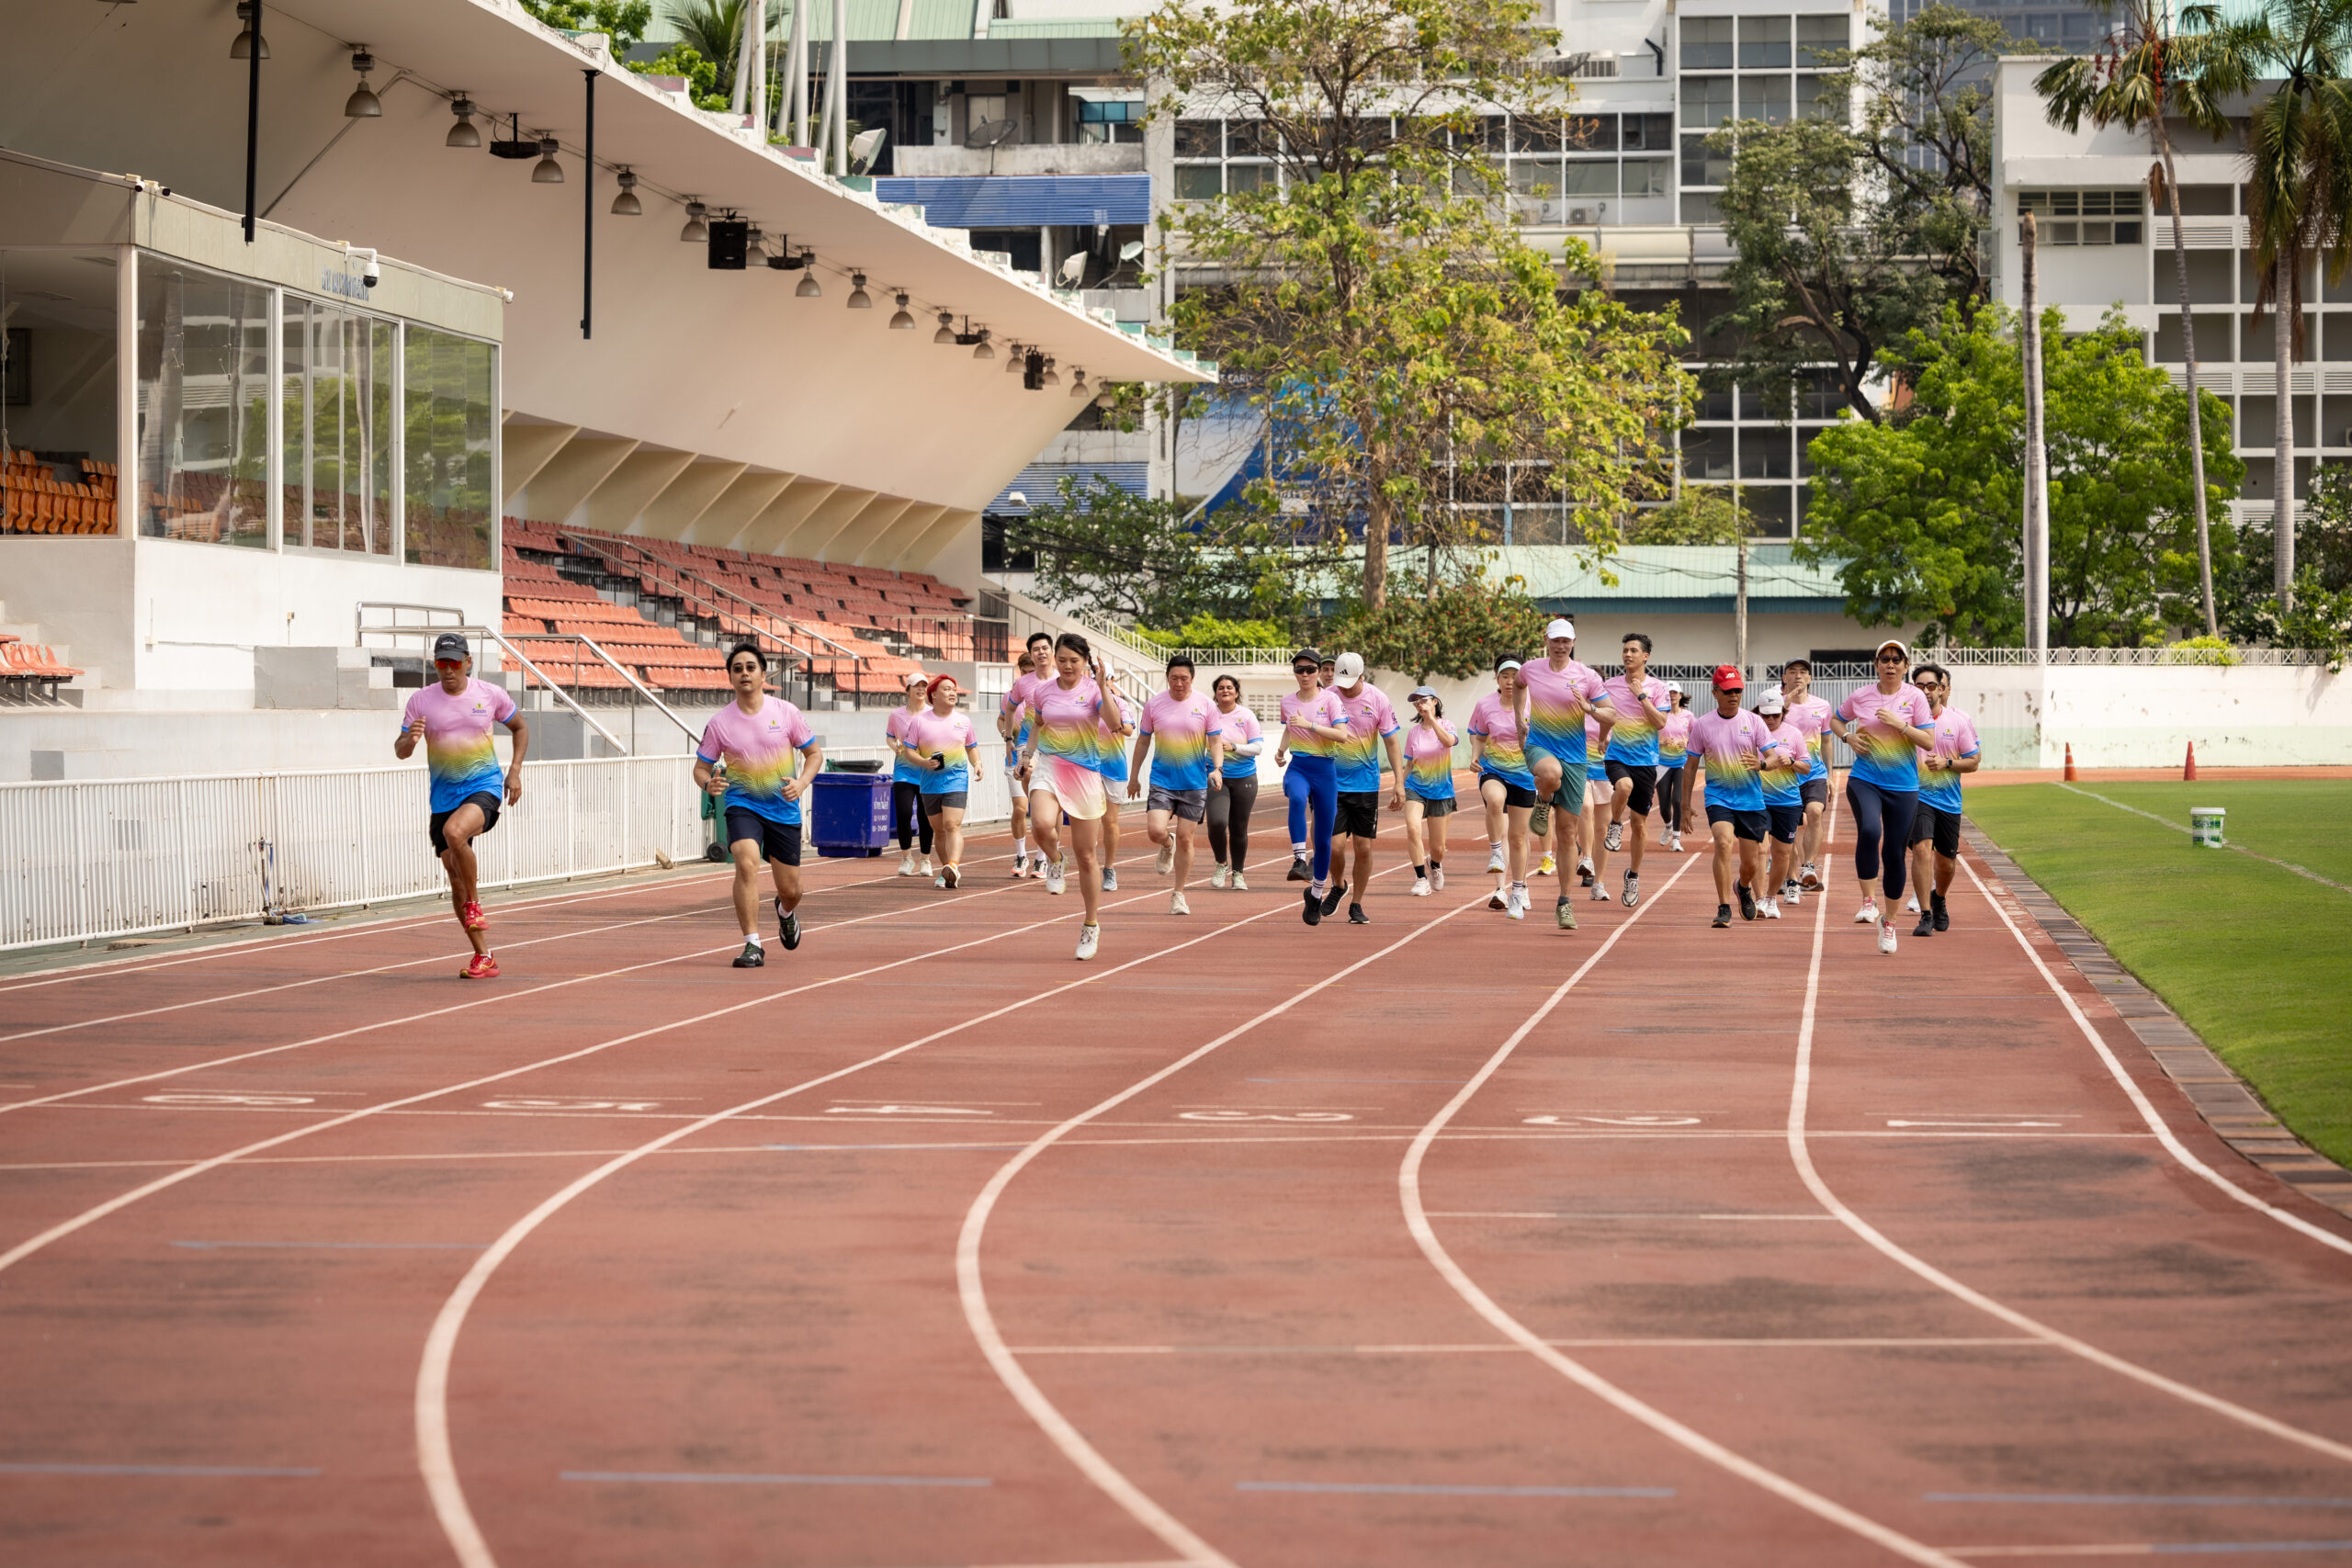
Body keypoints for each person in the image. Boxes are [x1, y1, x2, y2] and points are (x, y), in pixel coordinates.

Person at [396, 631, 531, 980]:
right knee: (454, 876)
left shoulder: (489, 694)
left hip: (483, 786)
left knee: (455, 832)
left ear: (468, 662)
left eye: (455, 663)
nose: (448, 670)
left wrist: (515, 771)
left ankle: (474, 903)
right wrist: (410, 740)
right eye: (442, 663)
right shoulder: (421, 701)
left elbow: (520, 728)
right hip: (443, 797)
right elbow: (400, 749)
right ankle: (484, 956)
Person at [693, 641, 823, 968]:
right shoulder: (720, 722)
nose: (744, 674)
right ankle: (752, 944)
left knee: (791, 890)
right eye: (737, 669)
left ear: (763, 675)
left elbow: (814, 754)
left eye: (750, 668)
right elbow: (700, 768)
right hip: (743, 804)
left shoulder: (786, 712)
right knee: (745, 862)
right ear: (730, 678)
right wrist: (707, 783)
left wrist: (801, 783)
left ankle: (785, 912)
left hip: (782, 807)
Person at [1828, 637, 1937, 955]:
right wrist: (1848, 737)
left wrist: (1901, 725)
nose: (1890, 664)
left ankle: (1889, 922)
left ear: (1905, 666)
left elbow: (1928, 741)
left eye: (1896, 659)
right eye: (1885, 659)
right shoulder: (1861, 695)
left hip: (1903, 786)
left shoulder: (1915, 697)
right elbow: (1835, 720)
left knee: (1894, 853)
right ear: (1876, 664)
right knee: (1870, 830)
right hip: (1866, 778)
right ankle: (1868, 901)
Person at [1017, 632, 1117, 960]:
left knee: (1086, 856)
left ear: (1086, 661)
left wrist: (1103, 687)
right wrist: (1027, 755)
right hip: (1049, 765)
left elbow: (1115, 723)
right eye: (1061, 660)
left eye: (1074, 660)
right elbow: (1037, 725)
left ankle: (1090, 924)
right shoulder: (1043, 690)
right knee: (1041, 825)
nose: (1067, 666)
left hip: (1084, 774)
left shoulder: (1093, 690)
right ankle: (1056, 860)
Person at [1517, 618, 1615, 927]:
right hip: (1540, 748)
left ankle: (1564, 902)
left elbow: (1611, 715)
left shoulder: (1587, 676)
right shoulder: (1531, 669)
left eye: (1566, 641)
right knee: (1550, 773)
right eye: (1555, 640)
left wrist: (1590, 710)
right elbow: (1518, 685)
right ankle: (1543, 798)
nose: (1560, 646)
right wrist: (1520, 718)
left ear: (1573, 642)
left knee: (1568, 833)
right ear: (1546, 640)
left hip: (1575, 758)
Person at [1683, 664, 1793, 929]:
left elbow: (1773, 757)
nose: (1734, 695)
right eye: (1728, 691)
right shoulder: (1703, 725)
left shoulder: (1753, 721)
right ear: (1715, 692)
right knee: (1722, 843)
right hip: (1719, 797)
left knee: (1751, 863)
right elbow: (1690, 766)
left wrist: (1762, 764)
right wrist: (1684, 805)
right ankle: (1723, 907)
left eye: (1738, 691)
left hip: (1750, 800)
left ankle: (1742, 887)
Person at [1130, 655, 1226, 916]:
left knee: (1186, 838)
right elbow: (1143, 741)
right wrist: (1134, 776)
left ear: (1192, 678)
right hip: (1162, 779)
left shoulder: (1206, 705)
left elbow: (1215, 741)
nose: (1179, 683)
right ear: (1167, 678)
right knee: (1155, 831)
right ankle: (1166, 843)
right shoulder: (1154, 705)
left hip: (1194, 782)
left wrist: (1217, 769)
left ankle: (1179, 894)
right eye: (1174, 678)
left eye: (1184, 678)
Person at [1274, 649, 1353, 924]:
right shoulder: (1287, 701)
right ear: (1295, 673)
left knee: (1323, 841)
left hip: (1325, 771)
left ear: (1319, 672)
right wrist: (1281, 750)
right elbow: (1289, 727)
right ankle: (1299, 859)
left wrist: (1311, 726)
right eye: (1300, 669)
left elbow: (1342, 735)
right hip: (1299, 766)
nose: (1305, 674)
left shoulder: (1330, 700)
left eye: (1310, 669)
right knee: (1296, 798)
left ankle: (1316, 893)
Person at [1597, 633, 1673, 909]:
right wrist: (1602, 737)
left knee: (1640, 824)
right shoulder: (1609, 685)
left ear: (1645, 656)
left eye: (1633, 651)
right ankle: (1616, 824)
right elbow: (1607, 716)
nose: (1627, 655)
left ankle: (1633, 875)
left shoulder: (1658, 687)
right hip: (1617, 756)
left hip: (1646, 761)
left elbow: (1660, 722)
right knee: (1623, 786)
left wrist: (1641, 695)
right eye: (1625, 650)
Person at [1327, 652, 1403, 926]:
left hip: (1365, 785)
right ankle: (1339, 885)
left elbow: (1391, 742)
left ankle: (1357, 903)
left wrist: (1398, 782)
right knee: (1334, 847)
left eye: (1350, 683)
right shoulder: (1328, 697)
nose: (1345, 689)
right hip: (1332, 784)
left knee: (1363, 849)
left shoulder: (1378, 699)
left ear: (1362, 676)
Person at [1906, 661, 1980, 938]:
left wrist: (1947, 763)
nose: (1925, 691)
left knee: (1946, 864)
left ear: (1941, 689)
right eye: (1919, 686)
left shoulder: (1957, 722)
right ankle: (1925, 914)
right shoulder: (1906, 723)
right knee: (1922, 849)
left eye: (1930, 686)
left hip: (1948, 801)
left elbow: (1973, 762)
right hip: (1917, 797)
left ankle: (1938, 898)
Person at [1468, 657, 1539, 922]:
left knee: (1519, 838)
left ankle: (1519, 890)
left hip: (1524, 775)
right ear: (1497, 678)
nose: (1510, 681)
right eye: (1505, 676)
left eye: (1514, 676)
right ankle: (1496, 851)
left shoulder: (1535, 705)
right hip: (1493, 770)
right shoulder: (1485, 705)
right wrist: (1475, 756)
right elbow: (1479, 736)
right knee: (1495, 800)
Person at [908, 673, 982, 887]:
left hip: (956, 780)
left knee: (952, 825)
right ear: (933, 695)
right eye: (947, 689)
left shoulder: (963, 721)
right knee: (939, 830)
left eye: (954, 690)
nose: (952, 693)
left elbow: (971, 747)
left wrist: (977, 763)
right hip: (930, 784)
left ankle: (953, 866)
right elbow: (909, 752)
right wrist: (924, 762)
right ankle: (946, 870)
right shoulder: (919, 721)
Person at [1001, 632, 1056, 877]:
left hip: (1057, 745)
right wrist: (1008, 739)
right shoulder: (1023, 683)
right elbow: (1009, 710)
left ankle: (1043, 857)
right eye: (1036, 649)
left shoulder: (1062, 679)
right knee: (1027, 774)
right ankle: (1023, 853)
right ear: (1031, 654)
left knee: (1051, 813)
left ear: (1052, 651)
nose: (1041, 653)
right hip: (1028, 741)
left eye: (1045, 648)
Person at [1780, 658, 1836, 893]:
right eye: (1792, 672)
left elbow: (1827, 741)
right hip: (1785, 775)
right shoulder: (1776, 705)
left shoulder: (1822, 706)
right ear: (1784, 677)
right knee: (1790, 828)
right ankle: (1788, 875)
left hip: (1814, 772)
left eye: (1803, 672)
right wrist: (1785, 704)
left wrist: (1830, 775)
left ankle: (1809, 866)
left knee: (1814, 812)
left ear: (1810, 678)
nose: (1798, 676)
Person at [1399, 685, 1458, 897]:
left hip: (1441, 791)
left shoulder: (1448, 725)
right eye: (1416, 702)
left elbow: (1448, 742)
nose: (1419, 705)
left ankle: (1434, 863)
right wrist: (1399, 786)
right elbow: (1409, 765)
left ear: (1435, 701)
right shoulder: (1413, 733)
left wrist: (1432, 720)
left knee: (1438, 848)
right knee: (1413, 828)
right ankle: (1421, 878)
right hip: (1415, 787)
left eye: (1423, 700)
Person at [1206, 674, 1262, 890]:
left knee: (1238, 827)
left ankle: (1238, 873)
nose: (1225, 691)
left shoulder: (1246, 716)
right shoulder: (1209, 715)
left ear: (1236, 692)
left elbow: (1258, 747)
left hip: (1244, 778)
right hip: (1216, 776)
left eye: (1229, 687)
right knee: (1217, 822)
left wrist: (1235, 747)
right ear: (1216, 692)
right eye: (1221, 688)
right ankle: (1221, 863)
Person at [1755, 689, 1805, 920]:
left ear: (1783, 713)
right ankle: (1758, 898)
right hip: (1757, 800)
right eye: (1766, 715)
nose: (1771, 720)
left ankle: (1771, 897)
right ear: (1758, 713)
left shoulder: (1793, 734)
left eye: (1775, 715)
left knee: (1782, 853)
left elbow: (1806, 767)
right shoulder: (1751, 733)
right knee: (1760, 849)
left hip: (1787, 801)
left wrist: (1792, 762)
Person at [886, 671, 936, 878]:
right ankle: (907, 858)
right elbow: (890, 737)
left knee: (925, 817)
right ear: (908, 690)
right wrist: (894, 746)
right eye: (917, 686)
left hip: (926, 772)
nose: (921, 689)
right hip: (904, 771)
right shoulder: (896, 715)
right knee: (904, 813)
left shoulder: (933, 714)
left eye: (924, 686)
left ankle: (925, 859)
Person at [1093, 682, 1137, 891]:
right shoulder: (1084, 702)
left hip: (1114, 768)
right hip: (1087, 767)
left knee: (1109, 821)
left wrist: (1114, 721)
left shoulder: (1119, 703)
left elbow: (1128, 730)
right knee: (1087, 819)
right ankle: (1088, 864)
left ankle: (1109, 868)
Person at [1656, 683, 1692, 852]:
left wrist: (1689, 745)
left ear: (1680, 695)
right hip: (1662, 764)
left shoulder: (1688, 716)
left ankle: (1676, 839)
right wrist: (1662, 742)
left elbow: (1697, 736)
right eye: (1669, 693)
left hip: (1681, 764)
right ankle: (1668, 826)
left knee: (1677, 800)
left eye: (1675, 692)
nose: (1672, 695)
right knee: (1664, 806)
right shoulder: (1660, 715)